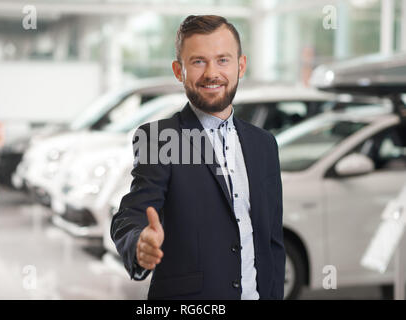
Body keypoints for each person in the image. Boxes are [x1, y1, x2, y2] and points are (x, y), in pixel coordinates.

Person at [111, 15, 285, 300]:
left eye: (223, 60)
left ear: (241, 65)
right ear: (179, 71)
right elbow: (131, 214)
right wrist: (139, 243)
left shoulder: (264, 145)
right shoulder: (160, 139)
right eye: (198, 61)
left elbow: (272, 242)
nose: (211, 73)